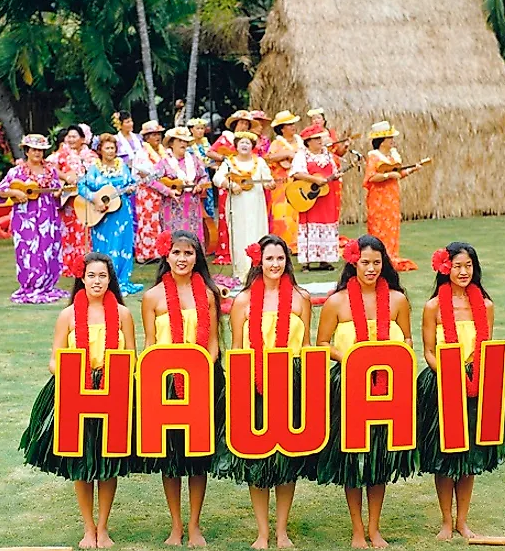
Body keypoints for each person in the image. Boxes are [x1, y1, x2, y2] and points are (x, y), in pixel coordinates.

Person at [19, 252, 137, 549]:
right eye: (91, 276)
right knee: (82, 460)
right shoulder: (68, 315)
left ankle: (103, 526)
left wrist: (111, 376)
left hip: (114, 390)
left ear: (111, 279)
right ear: (81, 279)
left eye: (103, 276)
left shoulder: (123, 315)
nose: (97, 282)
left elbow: (132, 356)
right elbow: (53, 360)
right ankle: (88, 527)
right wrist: (76, 373)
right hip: (75, 390)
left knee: (108, 458)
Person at [316, 235, 418, 549]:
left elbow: (409, 341)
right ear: (353, 263)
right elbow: (321, 344)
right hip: (349, 387)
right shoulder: (337, 301)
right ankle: (357, 529)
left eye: (376, 262)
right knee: (353, 457)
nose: (371, 268)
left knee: (378, 458)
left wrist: (393, 358)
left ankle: (374, 527)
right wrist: (351, 359)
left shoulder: (398, 300)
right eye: (365, 262)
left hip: (388, 390)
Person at [213, 236, 312, 549]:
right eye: (269, 258)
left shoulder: (300, 298)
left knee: (286, 458)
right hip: (252, 383)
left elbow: (307, 346)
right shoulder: (243, 302)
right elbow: (238, 351)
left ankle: (282, 530)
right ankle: (263, 532)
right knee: (257, 458)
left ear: (287, 261)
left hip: (291, 383)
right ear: (259, 261)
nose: (274, 264)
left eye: (280, 258)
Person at [417, 242, 505, 541]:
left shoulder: (486, 305)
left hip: (477, 382)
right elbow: (428, 351)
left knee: (469, 454)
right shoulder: (433, 307)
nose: (463, 271)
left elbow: (485, 346)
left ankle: (462, 520)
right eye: (457, 265)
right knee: (445, 453)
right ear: (446, 268)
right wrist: (447, 371)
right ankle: (445, 520)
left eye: (468, 265)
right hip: (442, 380)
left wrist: (473, 373)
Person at [140, 230, 223, 547]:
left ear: (197, 258)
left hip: (201, 380)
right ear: (167, 256)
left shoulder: (208, 295)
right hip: (165, 385)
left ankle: (194, 524)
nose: (182, 259)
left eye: (188, 253)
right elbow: (150, 343)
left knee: (196, 456)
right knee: (172, 457)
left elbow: (213, 342)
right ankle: (175, 525)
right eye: (176, 252)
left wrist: (203, 372)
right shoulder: (153, 297)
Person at [0, 134, 69, 304]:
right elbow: (1, 190)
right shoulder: (17, 171)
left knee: (49, 249)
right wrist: (15, 192)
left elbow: (57, 192)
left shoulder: (50, 170)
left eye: (41, 150)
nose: (38, 153)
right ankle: (30, 286)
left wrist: (59, 193)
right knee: (28, 251)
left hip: (48, 216)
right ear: (26, 151)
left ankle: (47, 285)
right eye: (34, 150)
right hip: (25, 218)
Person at [77, 133, 141, 295]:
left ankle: (122, 279)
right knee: (106, 246)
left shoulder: (123, 166)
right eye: (107, 148)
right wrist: (95, 199)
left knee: (123, 244)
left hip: (122, 212)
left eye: (113, 148)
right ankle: (104, 278)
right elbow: (81, 187)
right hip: (102, 214)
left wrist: (132, 189)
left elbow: (131, 183)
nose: (111, 151)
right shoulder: (94, 169)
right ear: (100, 150)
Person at [213, 132, 275, 282]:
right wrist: (230, 185)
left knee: (257, 233)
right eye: (242, 142)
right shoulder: (229, 162)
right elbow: (217, 178)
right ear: (236, 145)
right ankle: (241, 272)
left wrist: (270, 184)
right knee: (239, 235)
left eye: (248, 143)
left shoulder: (259, 162)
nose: (245, 145)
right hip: (237, 204)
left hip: (256, 205)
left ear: (252, 146)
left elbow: (268, 179)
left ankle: (259, 271)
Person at [363, 121, 421, 272]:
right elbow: (371, 177)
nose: (392, 141)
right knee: (380, 225)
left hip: (392, 197)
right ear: (382, 141)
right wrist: (388, 175)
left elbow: (398, 174)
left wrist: (413, 170)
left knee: (392, 225)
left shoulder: (392, 155)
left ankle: (391, 255)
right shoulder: (374, 157)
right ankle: (379, 256)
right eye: (390, 138)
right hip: (379, 198)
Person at [46, 124, 97, 278]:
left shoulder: (91, 155)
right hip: (68, 200)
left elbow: (97, 172)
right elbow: (50, 168)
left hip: (86, 198)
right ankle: (68, 265)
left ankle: (85, 263)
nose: (71, 139)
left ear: (83, 139)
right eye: (69, 136)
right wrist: (66, 176)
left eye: (75, 136)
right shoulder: (60, 155)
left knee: (85, 231)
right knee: (68, 232)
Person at [211, 109, 259, 265]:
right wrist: (224, 159)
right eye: (241, 122)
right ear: (235, 124)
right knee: (227, 214)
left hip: (246, 182)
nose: (244, 126)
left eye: (246, 123)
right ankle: (226, 249)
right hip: (228, 180)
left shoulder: (249, 141)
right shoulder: (226, 138)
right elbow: (209, 152)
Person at [290, 125, 340, 271]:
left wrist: (335, 177)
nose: (320, 141)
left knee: (327, 222)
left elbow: (333, 172)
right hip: (309, 197)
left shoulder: (328, 155)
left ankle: (325, 259)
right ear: (308, 142)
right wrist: (314, 180)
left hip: (326, 196)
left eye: (320, 138)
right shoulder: (302, 155)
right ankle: (307, 261)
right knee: (310, 222)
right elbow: (297, 173)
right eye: (316, 138)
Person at [150, 126, 210, 244]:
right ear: (171, 143)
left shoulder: (194, 160)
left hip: (192, 206)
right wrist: (168, 191)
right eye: (180, 141)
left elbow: (204, 177)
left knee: (192, 239)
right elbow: (151, 181)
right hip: (172, 206)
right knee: (173, 240)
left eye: (185, 141)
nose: (183, 143)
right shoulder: (164, 162)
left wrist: (199, 186)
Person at [266, 110, 301, 251]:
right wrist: (287, 154)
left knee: (297, 212)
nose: (293, 127)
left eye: (293, 124)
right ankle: (282, 243)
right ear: (282, 128)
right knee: (282, 212)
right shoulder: (277, 143)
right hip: (281, 183)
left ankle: (298, 243)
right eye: (289, 124)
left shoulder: (300, 142)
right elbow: (269, 157)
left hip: (298, 183)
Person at [133, 120, 167, 263]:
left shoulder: (162, 152)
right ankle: (145, 254)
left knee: (159, 221)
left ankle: (158, 251)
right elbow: (143, 173)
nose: (157, 137)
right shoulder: (142, 153)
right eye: (153, 134)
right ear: (146, 138)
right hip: (146, 192)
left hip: (160, 191)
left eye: (158, 134)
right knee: (147, 221)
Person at [307, 108, 347, 221]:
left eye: (318, 118)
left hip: (332, 168)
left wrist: (345, 146)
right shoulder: (308, 135)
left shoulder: (331, 133)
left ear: (324, 120)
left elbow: (339, 152)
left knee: (334, 197)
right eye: (313, 118)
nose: (316, 120)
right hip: (316, 170)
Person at [186, 117, 217, 220]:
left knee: (208, 200)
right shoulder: (188, 145)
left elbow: (211, 161)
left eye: (202, 128)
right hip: (193, 176)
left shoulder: (206, 144)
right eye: (197, 128)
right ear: (191, 130)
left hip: (206, 176)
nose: (200, 131)